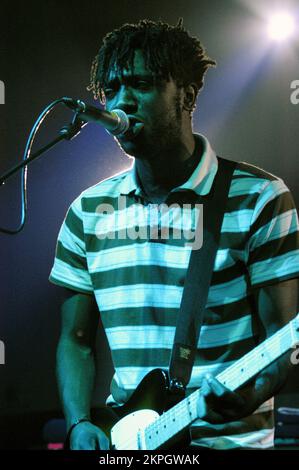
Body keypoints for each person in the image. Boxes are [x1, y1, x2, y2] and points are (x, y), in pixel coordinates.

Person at [49, 19, 299, 450]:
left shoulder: (259, 198)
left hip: (228, 441)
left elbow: (285, 339)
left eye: (141, 84)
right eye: (111, 90)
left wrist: (252, 394)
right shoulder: (86, 211)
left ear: (186, 94)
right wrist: (77, 423)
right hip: (128, 439)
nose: (122, 102)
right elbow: (75, 341)